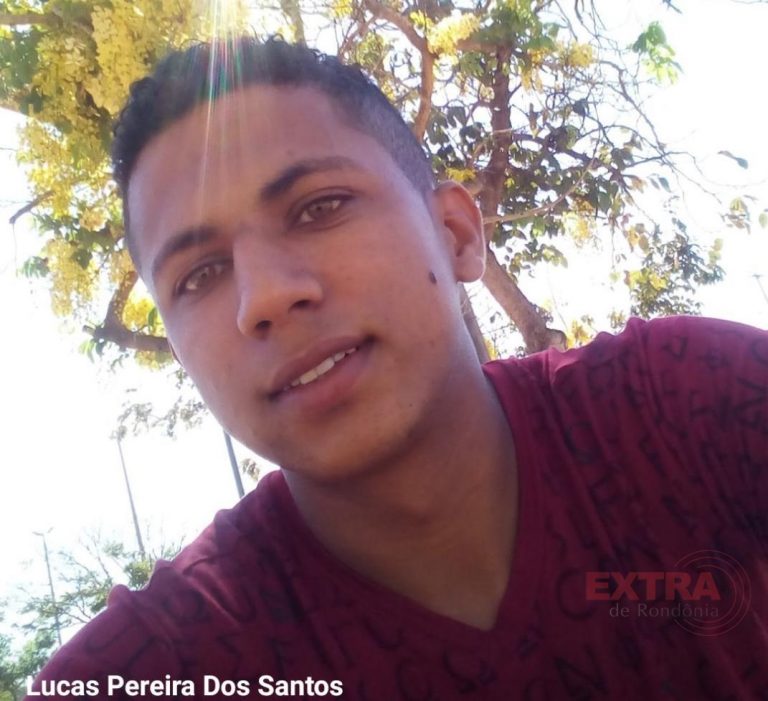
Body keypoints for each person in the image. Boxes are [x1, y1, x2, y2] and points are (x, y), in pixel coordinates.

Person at [29, 35, 767, 700]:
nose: (265, 298)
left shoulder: (680, 404)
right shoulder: (161, 667)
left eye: (319, 208)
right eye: (199, 275)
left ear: (456, 233)